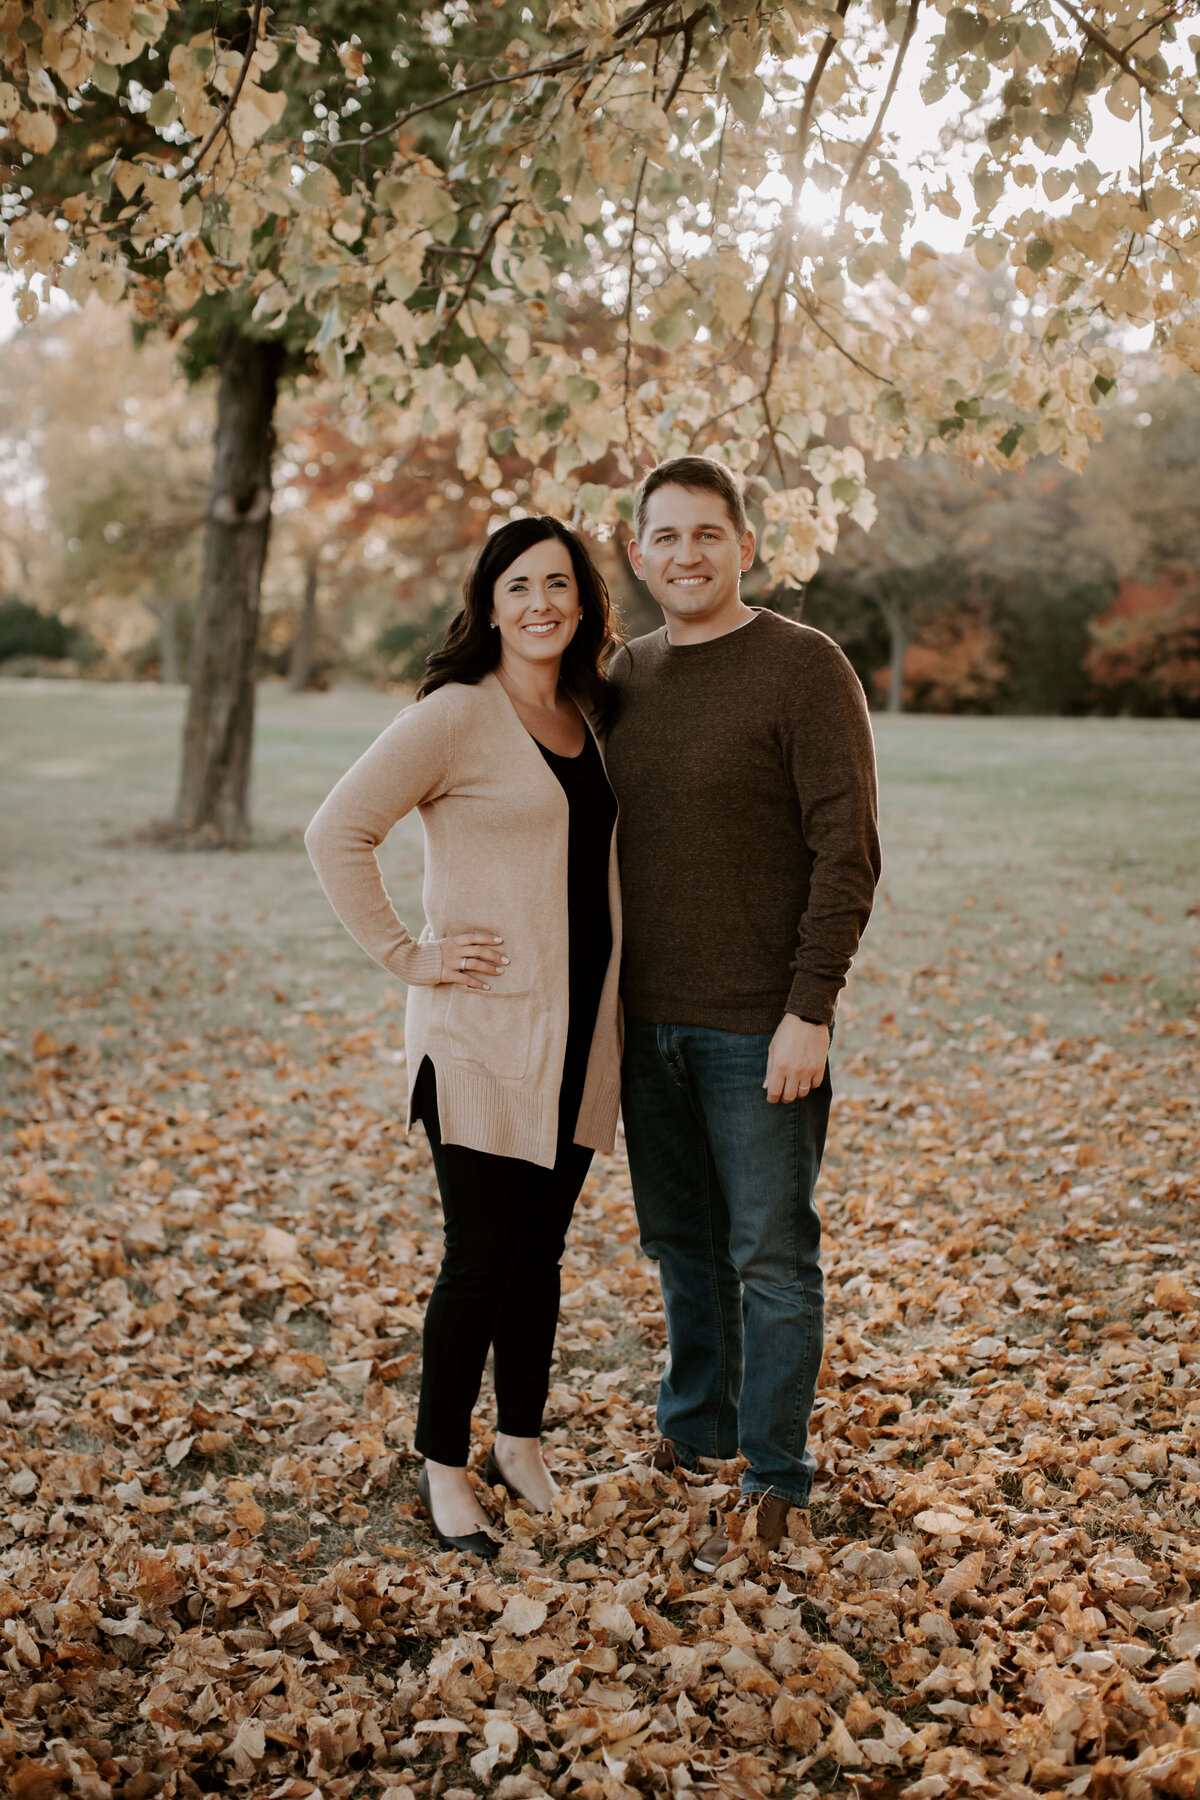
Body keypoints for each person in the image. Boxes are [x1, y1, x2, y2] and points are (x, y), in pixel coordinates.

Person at [305, 517, 622, 1560]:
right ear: (490, 603)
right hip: (482, 1033)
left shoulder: (591, 709)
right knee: (481, 1257)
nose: (541, 602)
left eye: (560, 585)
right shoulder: (454, 716)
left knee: (542, 1257)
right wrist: (409, 954)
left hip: (582, 1031)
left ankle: (520, 1444)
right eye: (520, 584)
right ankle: (443, 1464)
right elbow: (337, 830)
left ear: (583, 605)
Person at [604, 455, 881, 1572]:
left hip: (758, 1028)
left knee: (770, 1252)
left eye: (707, 534)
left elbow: (847, 853)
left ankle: (774, 1470)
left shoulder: (805, 668)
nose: (686, 555)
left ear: (745, 545)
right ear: (638, 554)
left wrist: (807, 1011)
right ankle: (696, 1426)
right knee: (681, 1244)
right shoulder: (622, 676)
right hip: (640, 1027)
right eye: (664, 537)